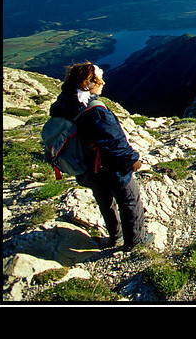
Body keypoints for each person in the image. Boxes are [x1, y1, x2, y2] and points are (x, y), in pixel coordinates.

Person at [49, 61, 147, 252]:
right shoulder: (94, 110)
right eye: (99, 80)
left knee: (105, 202)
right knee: (129, 200)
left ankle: (115, 237)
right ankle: (135, 242)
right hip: (109, 167)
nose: (103, 83)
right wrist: (133, 160)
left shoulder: (63, 103)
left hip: (85, 167)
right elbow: (114, 142)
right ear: (87, 83)